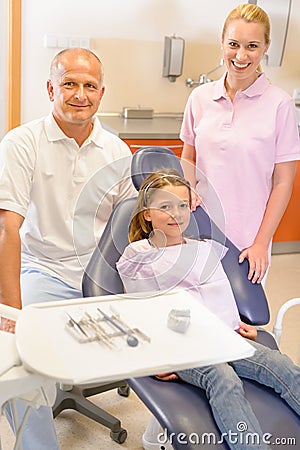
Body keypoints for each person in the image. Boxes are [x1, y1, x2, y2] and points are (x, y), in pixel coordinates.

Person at [0, 48, 136, 449]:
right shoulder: (22, 143)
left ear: (101, 92)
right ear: (50, 88)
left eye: (89, 85)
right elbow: (8, 228)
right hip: (41, 270)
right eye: (69, 84)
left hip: (98, 275)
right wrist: (11, 312)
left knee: (159, 338)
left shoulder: (116, 151)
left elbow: (128, 230)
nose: (80, 94)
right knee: (17, 367)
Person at [116, 169, 300, 450]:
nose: (176, 213)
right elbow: (137, 311)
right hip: (182, 347)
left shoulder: (202, 249)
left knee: (281, 364)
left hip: (223, 337)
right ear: (147, 214)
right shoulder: (138, 255)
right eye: (165, 206)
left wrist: (235, 322)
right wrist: (151, 357)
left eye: (182, 205)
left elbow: (217, 297)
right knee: (222, 377)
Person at [180, 3, 300, 285]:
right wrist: (187, 189)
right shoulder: (199, 98)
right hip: (198, 229)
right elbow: (189, 155)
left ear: (266, 47)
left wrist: (261, 243)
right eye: (233, 44)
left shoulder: (279, 104)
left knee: (239, 324)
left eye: (252, 46)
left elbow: (283, 183)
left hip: (248, 239)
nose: (241, 55)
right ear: (222, 42)